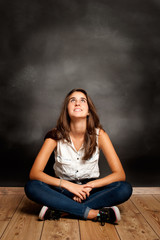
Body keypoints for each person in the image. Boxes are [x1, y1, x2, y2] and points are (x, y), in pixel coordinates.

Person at [25, 88, 132, 226]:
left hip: (90, 191)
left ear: (88, 111)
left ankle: (61, 211)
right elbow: (34, 173)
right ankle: (94, 214)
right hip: (62, 191)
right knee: (32, 187)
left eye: (82, 100)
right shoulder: (54, 135)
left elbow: (120, 174)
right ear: (67, 111)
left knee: (124, 188)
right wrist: (68, 185)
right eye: (72, 100)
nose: (77, 103)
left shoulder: (100, 135)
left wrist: (90, 185)